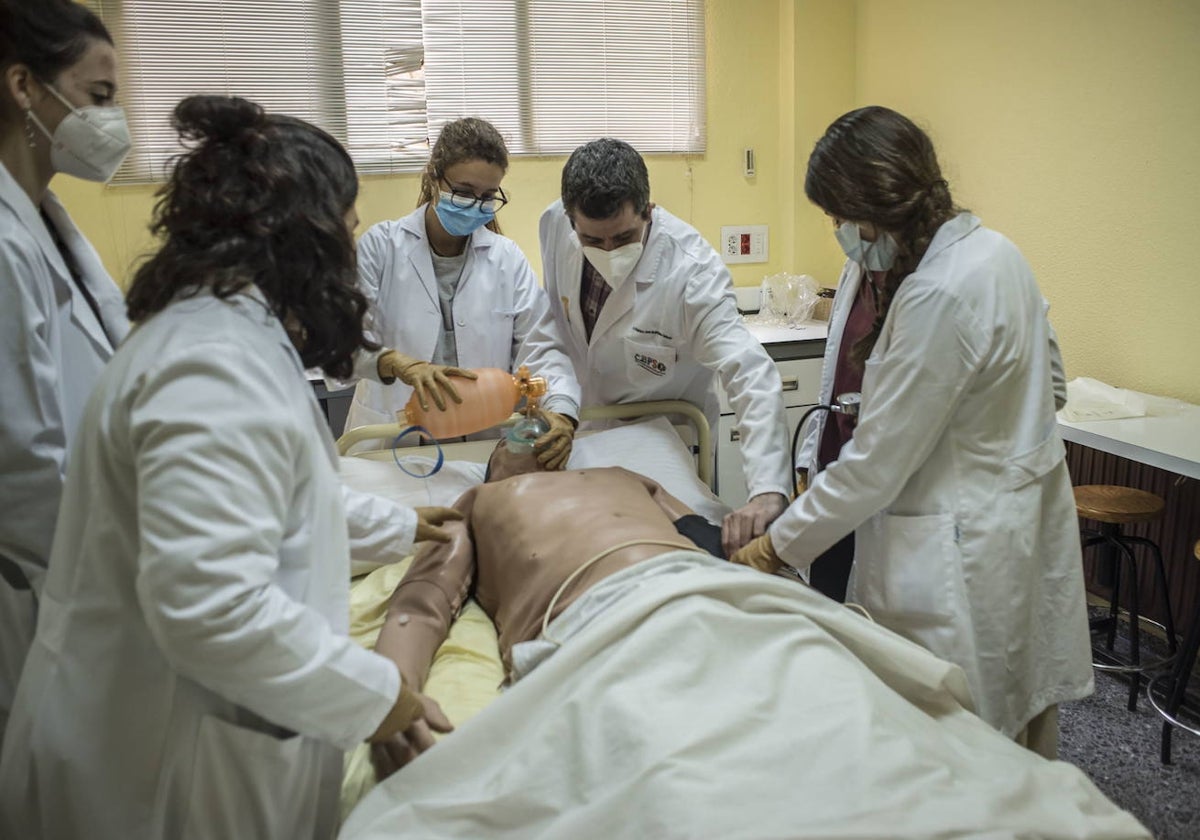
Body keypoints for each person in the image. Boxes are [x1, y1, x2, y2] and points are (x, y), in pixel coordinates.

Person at [0, 95, 460, 839]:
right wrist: (380, 697)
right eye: (344, 230)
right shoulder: (209, 364)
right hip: (155, 777)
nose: (352, 251)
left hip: (185, 745)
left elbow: (276, 496)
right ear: (299, 237)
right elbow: (211, 605)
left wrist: (399, 523)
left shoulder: (226, 335)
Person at [731, 106, 1092, 757]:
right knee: (1017, 715)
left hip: (958, 545)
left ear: (873, 207)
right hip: (1012, 521)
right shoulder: (997, 254)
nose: (839, 233)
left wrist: (775, 547)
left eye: (840, 218)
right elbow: (1054, 384)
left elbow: (875, 465)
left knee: (953, 737)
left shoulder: (937, 294)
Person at [368, 441, 726, 773]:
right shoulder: (477, 499)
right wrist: (395, 684)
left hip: (700, 585)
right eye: (513, 437)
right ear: (493, 465)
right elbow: (421, 604)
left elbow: (707, 535)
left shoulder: (621, 476)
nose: (532, 430)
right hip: (595, 616)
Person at [539, 138, 791, 556]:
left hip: (664, 444)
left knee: (667, 549)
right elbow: (553, 330)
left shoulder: (692, 273)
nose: (607, 252)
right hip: (582, 433)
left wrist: (767, 490)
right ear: (570, 221)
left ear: (648, 210)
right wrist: (560, 405)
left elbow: (749, 372)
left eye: (623, 238)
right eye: (592, 240)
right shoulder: (554, 226)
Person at [0, 0, 134, 745]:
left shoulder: (45, 215)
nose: (111, 124)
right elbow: (21, 464)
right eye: (99, 97)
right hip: (45, 583)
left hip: (88, 557)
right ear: (26, 86)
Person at [349, 117, 580, 469]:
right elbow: (344, 342)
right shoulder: (382, 248)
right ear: (433, 177)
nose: (475, 205)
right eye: (464, 191)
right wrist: (394, 362)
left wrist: (563, 410)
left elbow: (540, 347)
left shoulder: (506, 258)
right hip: (390, 439)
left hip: (480, 443)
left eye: (488, 197)